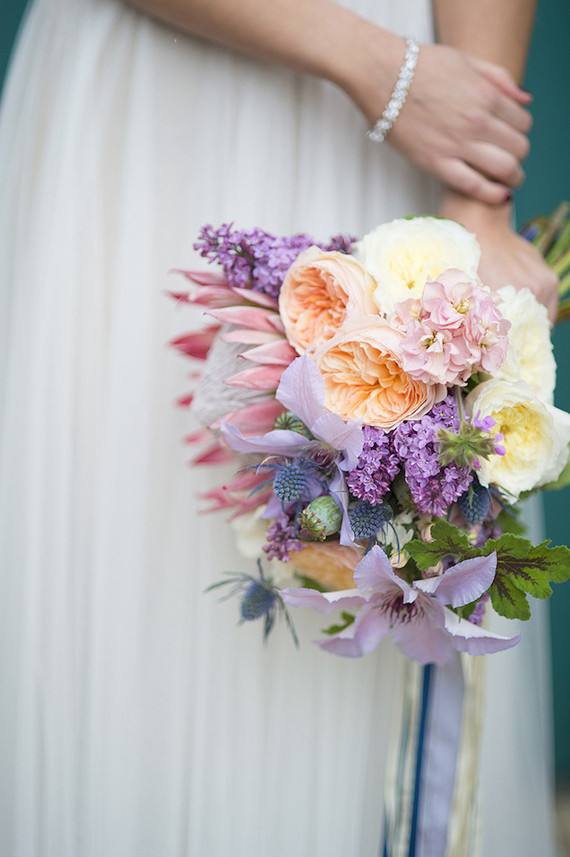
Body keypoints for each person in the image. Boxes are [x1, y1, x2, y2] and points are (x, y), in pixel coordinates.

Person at [0, 0, 557, 855]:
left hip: (396, 143)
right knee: (125, 550)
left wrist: (472, 199)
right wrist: (376, 66)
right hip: (152, 109)